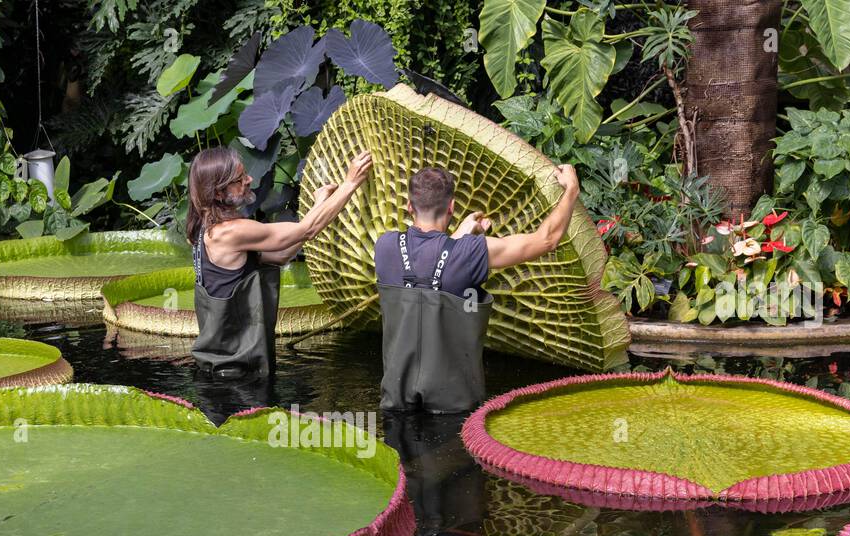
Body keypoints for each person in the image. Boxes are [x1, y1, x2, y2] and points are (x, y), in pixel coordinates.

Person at [374, 163, 582, 412]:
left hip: (396, 404)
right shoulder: (471, 252)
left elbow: (427, 265)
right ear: (451, 207)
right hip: (453, 408)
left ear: (409, 206)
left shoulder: (384, 245)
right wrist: (571, 189)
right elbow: (546, 240)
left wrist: (462, 237)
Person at [185, 146, 373, 380]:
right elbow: (308, 230)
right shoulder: (231, 232)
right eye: (240, 178)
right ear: (218, 193)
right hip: (235, 376)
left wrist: (318, 205)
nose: (249, 179)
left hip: (223, 369)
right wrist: (350, 184)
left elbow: (282, 254)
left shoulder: (206, 230)